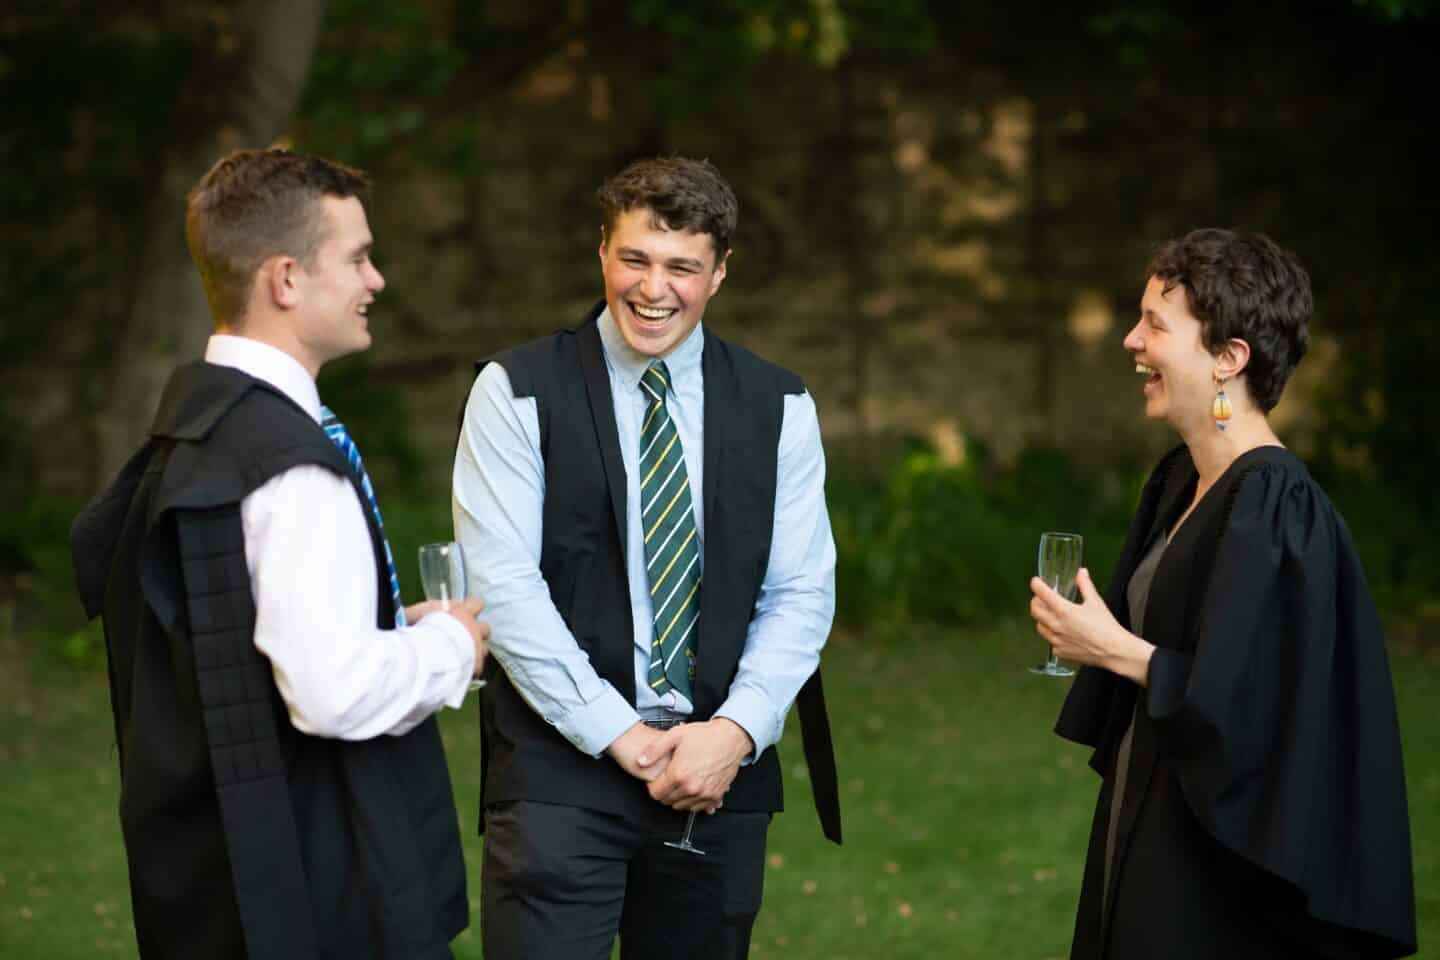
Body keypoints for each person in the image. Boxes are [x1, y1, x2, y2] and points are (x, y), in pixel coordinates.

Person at [69, 148, 490, 959]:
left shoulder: (191, 434)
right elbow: (330, 696)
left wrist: (381, 633)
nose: (377, 281)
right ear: (286, 280)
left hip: (213, 878)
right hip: (314, 889)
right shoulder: (287, 462)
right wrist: (448, 647)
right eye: (359, 258)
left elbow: (242, 646)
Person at [452, 156, 842, 960]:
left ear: (719, 273)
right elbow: (503, 586)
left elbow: (800, 591)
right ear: (602, 251)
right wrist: (620, 734)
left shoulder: (780, 406)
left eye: (681, 267)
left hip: (717, 775)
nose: (652, 288)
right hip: (562, 771)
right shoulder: (515, 390)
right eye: (634, 258)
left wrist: (734, 731)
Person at [1029, 229, 1417, 958]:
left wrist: (1118, 650)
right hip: (1146, 813)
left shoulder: (1273, 505)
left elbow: (1261, 704)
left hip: (1217, 859)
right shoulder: (1180, 479)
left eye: (1154, 325)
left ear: (1228, 360)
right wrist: (1098, 637)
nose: (1129, 341)